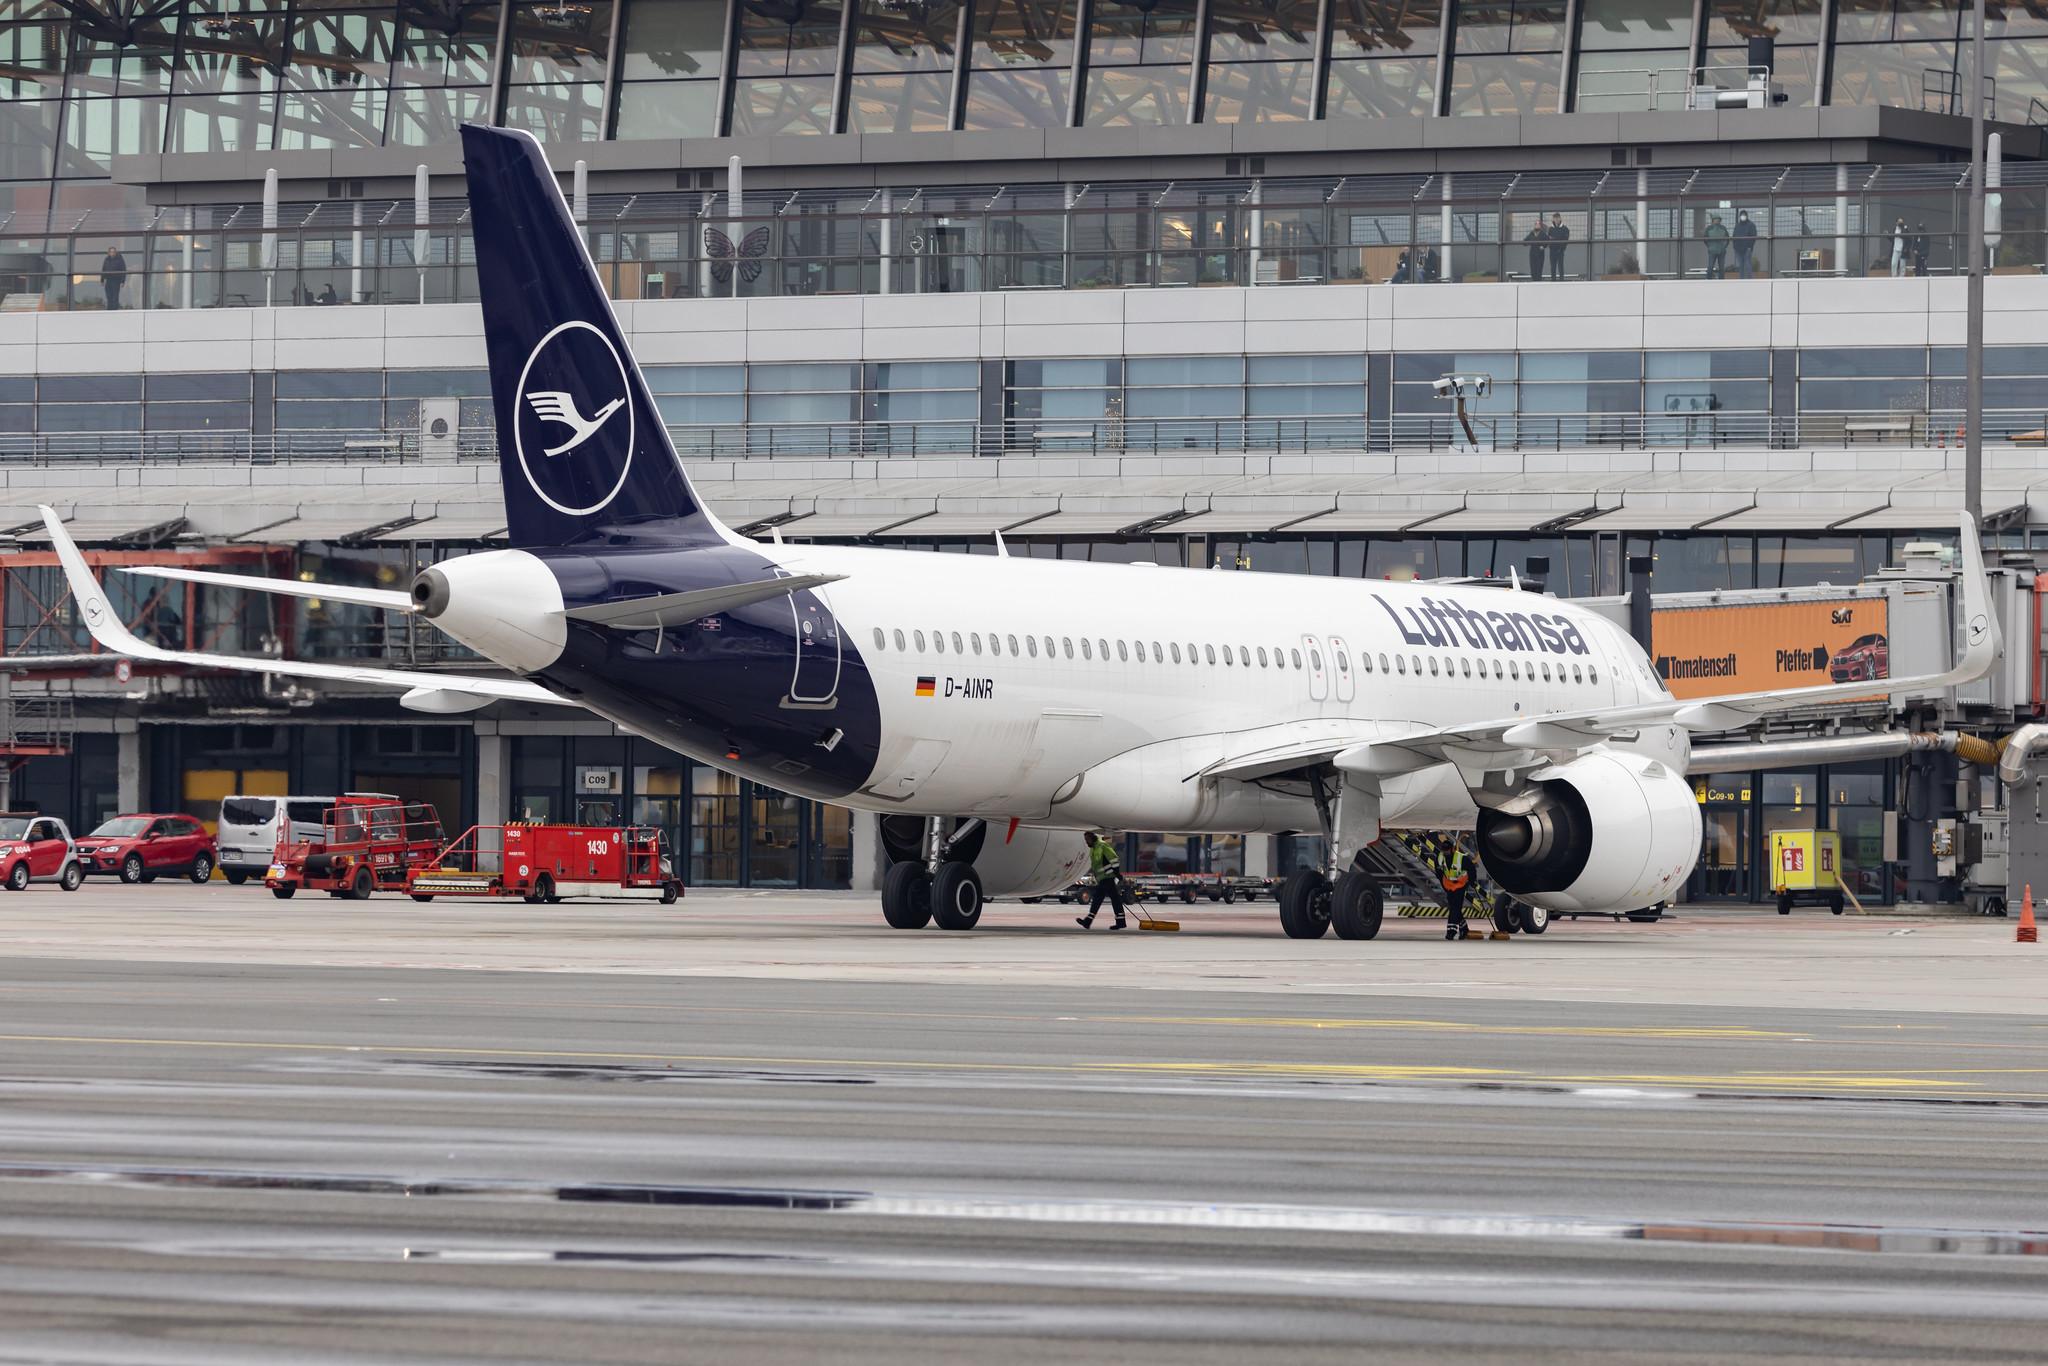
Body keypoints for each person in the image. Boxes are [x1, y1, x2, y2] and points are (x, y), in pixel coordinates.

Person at [1076, 831, 1126, 931]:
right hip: (1101, 878)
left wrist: (1117, 873)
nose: (1086, 842)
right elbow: (1096, 865)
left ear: (1093, 837)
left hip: (1108, 877)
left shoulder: (1102, 845)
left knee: (1101, 899)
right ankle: (1120, 922)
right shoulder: (1093, 849)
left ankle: (1088, 921)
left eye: (1087, 840)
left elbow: (1114, 859)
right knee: (1106, 899)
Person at [1438, 836, 1473, 941]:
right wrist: (1443, 884)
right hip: (1449, 886)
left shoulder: (1461, 858)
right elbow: (1439, 872)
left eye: (1447, 850)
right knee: (1454, 908)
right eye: (1444, 850)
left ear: (1452, 849)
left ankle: (1451, 931)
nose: (1446, 852)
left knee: (1454, 908)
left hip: (1460, 885)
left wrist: (1471, 882)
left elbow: (1471, 869)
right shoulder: (1440, 857)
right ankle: (1464, 928)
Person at [100, 246, 127, 311]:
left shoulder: (119, 259)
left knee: (115, 295)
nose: (112, 253)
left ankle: (115, 309)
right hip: (108, 280)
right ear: (109, 253)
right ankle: (109, 309)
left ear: (115, 253)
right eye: (111, 252)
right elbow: (103, 269)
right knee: (108, 295)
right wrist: (102, 280)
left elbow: (123, 270)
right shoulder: (106, 259)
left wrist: (122, 281)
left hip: (116, 280)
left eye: (113, 252)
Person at [1732, 209, 1757, 278]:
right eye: (1742, 215)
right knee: (1741, 265)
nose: (1743, 216)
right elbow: (1734, 236)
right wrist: (1735, 246)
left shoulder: (1751, 225)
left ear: (1747, 216)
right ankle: (1741, 279)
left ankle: (1750, 279)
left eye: (1744, 215)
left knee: (1747, 264)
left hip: (1747, 248)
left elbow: (1753, 237)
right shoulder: (1737, 226)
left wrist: (1749, 247)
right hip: (1738, 249)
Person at [1704, 214, 1729, 279]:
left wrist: (1724, 246)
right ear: (1713, 220)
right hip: (1712, 250)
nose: (1717, 221)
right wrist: (1710, 246)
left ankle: (1721, 280)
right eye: (1715, 219)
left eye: (1718, 219)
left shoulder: (1723, 228)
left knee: (1721, 267)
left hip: (1721, 250)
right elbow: (1705, 239)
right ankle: (1709, 279)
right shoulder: (1709, 228)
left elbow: (1727, 238)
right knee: (1710, 266)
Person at [1546, 212, 1569, 281]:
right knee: (1553, 267)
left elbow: (1565, 240)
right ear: (1553, 219)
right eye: (1555, 218)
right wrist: (1553, 240)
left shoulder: (1565, 228)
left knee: (1560, 266)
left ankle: (1561, 280)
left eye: (1557, 218)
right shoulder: (1550, 229)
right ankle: (1553, 280)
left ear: (1560, 218)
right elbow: (1548, 239)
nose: (1556, 219)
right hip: (1552, 251)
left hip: (1560, 251)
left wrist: (1561, 248)